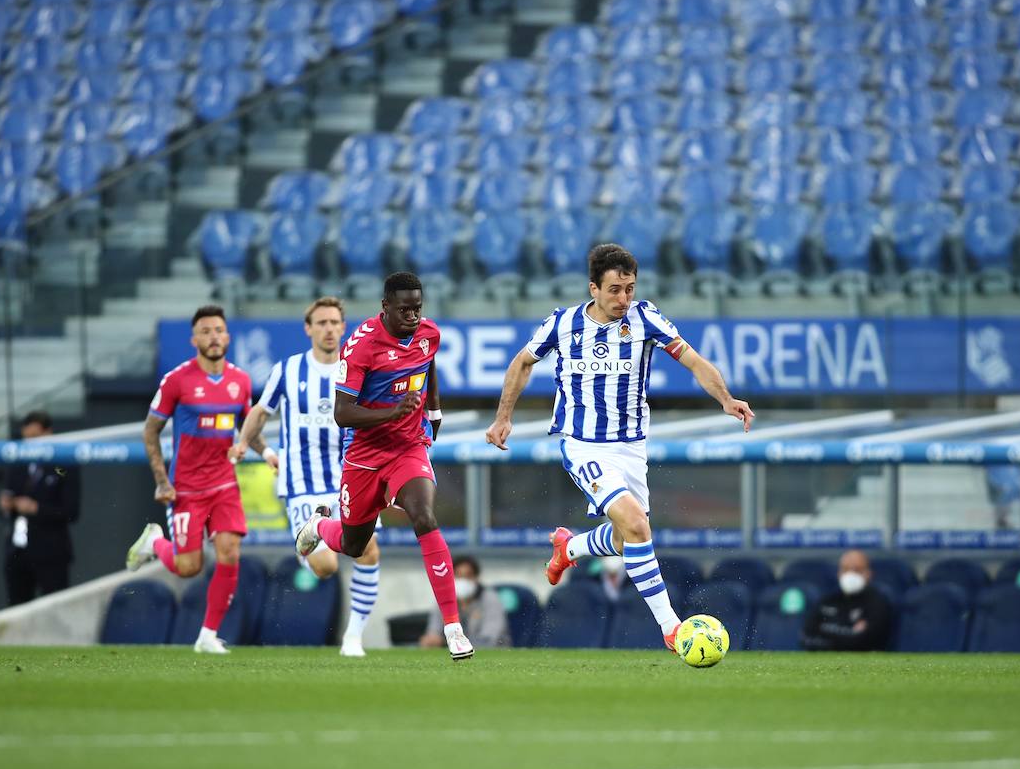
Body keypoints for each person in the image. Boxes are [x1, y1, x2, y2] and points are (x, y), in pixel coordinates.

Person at [484, 243, 755, 650]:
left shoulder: (645, 318)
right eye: (614, 289)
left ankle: (570, 546)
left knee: (629, 536)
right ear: (593, 287)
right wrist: (504, 417)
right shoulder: (562, 323)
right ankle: (672, 628)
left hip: (631, 448)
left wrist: (725, 398)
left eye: (629, 288)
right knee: (637, 524)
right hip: (583, 445)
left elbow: (694, 360)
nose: (623, 298)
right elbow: (522, 362)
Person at [293, 272, 470, 660]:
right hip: (364, 456)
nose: (412, 316)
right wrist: (393, 411)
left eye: (417, 308)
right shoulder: (359, 348)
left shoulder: (428, 333)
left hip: (409, 446)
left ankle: (453, 628)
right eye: (404, 309)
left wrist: (433, 409)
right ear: (385, 306)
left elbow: (428, 364)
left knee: (423, 515)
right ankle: (320, 526)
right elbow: (342, 413)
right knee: (355, 544)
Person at [231, 297, 383, 657]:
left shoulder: (359, 370)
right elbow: (259, 413)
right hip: (302, 486)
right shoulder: (288, 370)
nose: (329, 329)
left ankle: (353, 637)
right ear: (308, 328)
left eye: (335, 322)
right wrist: (248, 445)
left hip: (351, 479)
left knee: (369, 552)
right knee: (327, 566)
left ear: (343, 328)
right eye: (322, 323)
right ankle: (309, 534)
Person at [125, 305, 256, 655]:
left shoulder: (240, 381)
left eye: (218, 330)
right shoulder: (177, 380)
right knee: (188, 568)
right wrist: (161, 481)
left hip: (224, 484)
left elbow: (248, 427)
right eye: (206, 331)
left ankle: (208, 636)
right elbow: (150, 431)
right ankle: (155, 542)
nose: (213, 337)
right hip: (186, 488)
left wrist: (265, 452)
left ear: (228, 336)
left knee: (230, 552)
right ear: (194, 339)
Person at [0, 411, 80, 605]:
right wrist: (4, 506)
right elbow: (5, 505)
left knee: (55, 608)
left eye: (35, 438)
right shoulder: (17, 464)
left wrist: (37, 508)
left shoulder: (64, 465)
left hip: (51, 553)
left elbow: (71, 511)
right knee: (16, 610)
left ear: (48, 433)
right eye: (27, 439)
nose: (30, 444)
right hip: (17, 552)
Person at [801, 550, 892, 652]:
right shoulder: (828, 600)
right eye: (845, 569)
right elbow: (806, 637)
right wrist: (850, 634)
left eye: (857, 570)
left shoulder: (878, 602)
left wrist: (825, 632)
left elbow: (865, 641)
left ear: (869, 573)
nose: (850, 574)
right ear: (839, 573)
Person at [420, 555, 510, 649]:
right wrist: (431, 640)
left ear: (476, 578)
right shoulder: (443, 600)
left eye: (468, 576)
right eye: (458, 575)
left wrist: (445, 643)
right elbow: (433, 633)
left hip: (493, 655)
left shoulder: (490, 599)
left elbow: (489, 640)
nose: (463, 580)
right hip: (453, 653)